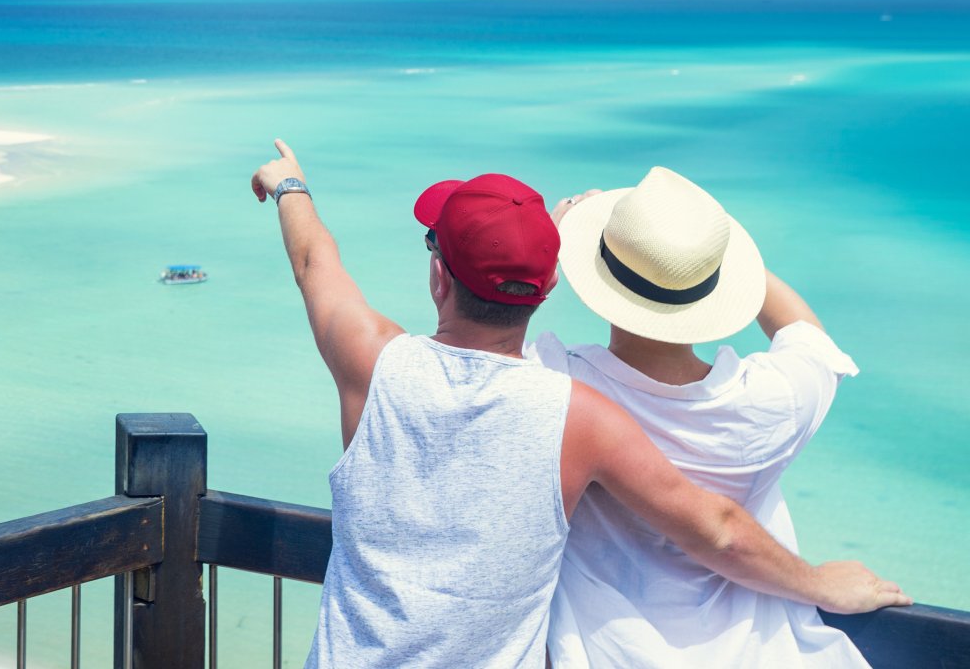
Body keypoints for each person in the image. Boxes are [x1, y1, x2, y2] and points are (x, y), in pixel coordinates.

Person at [247, 141, 908, 669]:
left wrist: (290, 186)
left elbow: (314, 261)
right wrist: (822, 586)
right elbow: (717, 528)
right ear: (552, 283)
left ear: (438, 275)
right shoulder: (578, 415)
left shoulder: (373, 360)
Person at [537, 168, 874, 667]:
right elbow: (807, 335)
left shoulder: (557, 386)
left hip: (606, 652)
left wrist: (547, 243)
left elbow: (489, 338)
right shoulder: (776, 398)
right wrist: (707, 253)